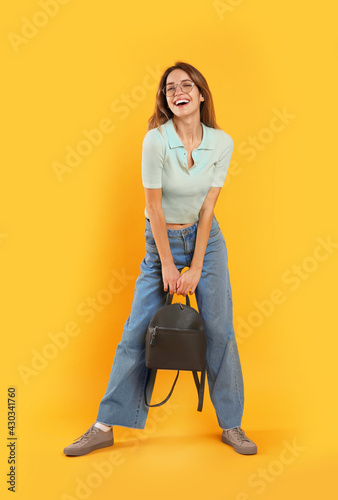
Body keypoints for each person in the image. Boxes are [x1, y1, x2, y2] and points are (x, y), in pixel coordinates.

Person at [63, 61, 257, 457]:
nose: (178, 91)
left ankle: (232, 426)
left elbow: (208, 209)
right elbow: (153, 207)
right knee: (136, 331)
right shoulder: (155, 141)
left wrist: (197, 267)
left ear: (201, 94)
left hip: (207, 240)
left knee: (220, 330)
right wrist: (169, 265)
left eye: (187, 85)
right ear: (166, 100)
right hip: (160, 241)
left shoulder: (222, 143)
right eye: (170, 88)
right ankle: (103, 426)